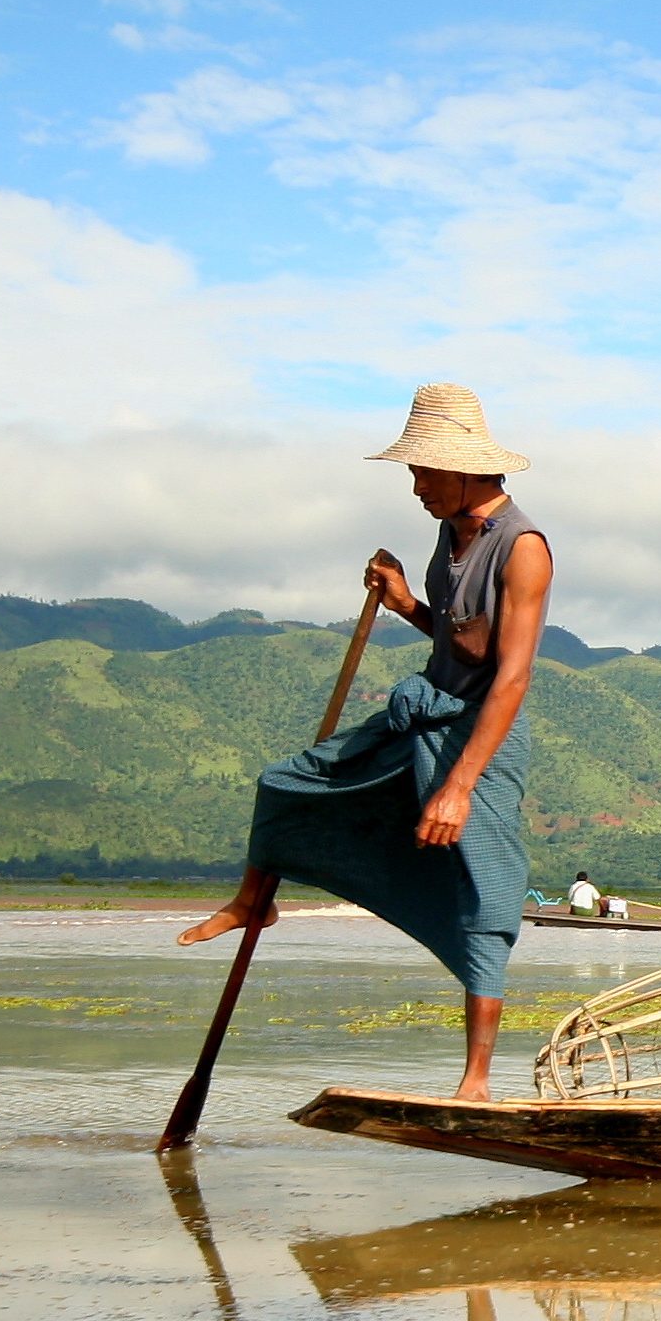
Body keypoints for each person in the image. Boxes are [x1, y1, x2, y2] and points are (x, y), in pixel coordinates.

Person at [181, 384, 551, 1100]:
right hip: (423, 715)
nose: (416, 488)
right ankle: (254, 901)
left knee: (485, 890)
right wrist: (407, 601)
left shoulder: (523, 549)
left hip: (480, 737)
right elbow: (462, 643)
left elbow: (510, 677)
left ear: (464, 469)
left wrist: (457, 789)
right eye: (413, 472)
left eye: (424, 472)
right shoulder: (452, 531)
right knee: (288, 783)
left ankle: (475, 1082)